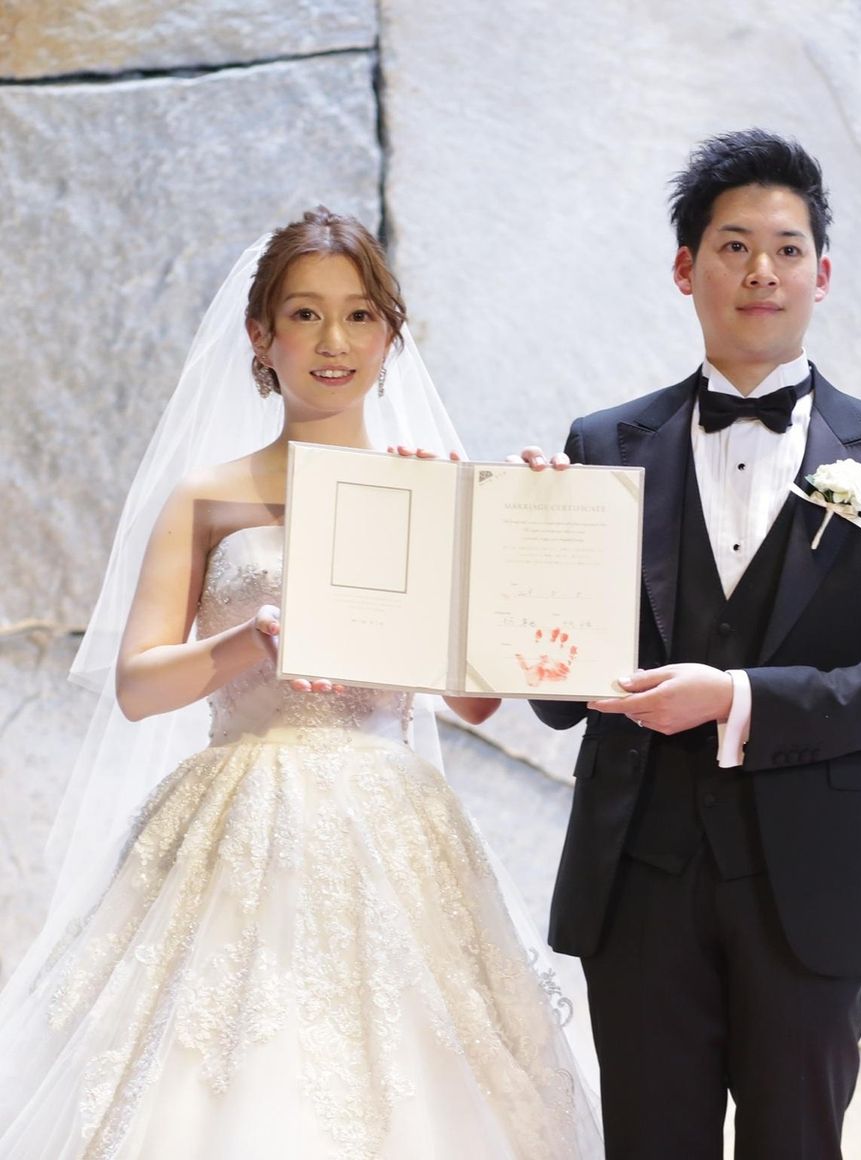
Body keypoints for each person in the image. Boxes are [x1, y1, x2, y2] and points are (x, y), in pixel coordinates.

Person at [0, 208, 601, 1159]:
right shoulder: (207, 496)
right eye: (305, 315)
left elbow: (476, 700)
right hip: (239, 816)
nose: (334, 342)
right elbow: (139, 686)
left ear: (390, 336)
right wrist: (251, 642)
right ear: (260, 335)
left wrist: (526, 529)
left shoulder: (429, 488)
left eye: (360, 316)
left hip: (393, 821)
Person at [525, 130, 861, 1158]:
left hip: (813, 877)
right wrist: (530, 551)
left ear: (822, 274)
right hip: (637, 873)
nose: (761, 270)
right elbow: (555, 693)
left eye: (786, 248)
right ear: (685, 269)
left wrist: (736, 697)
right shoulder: (601, 444)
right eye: (732, 246)